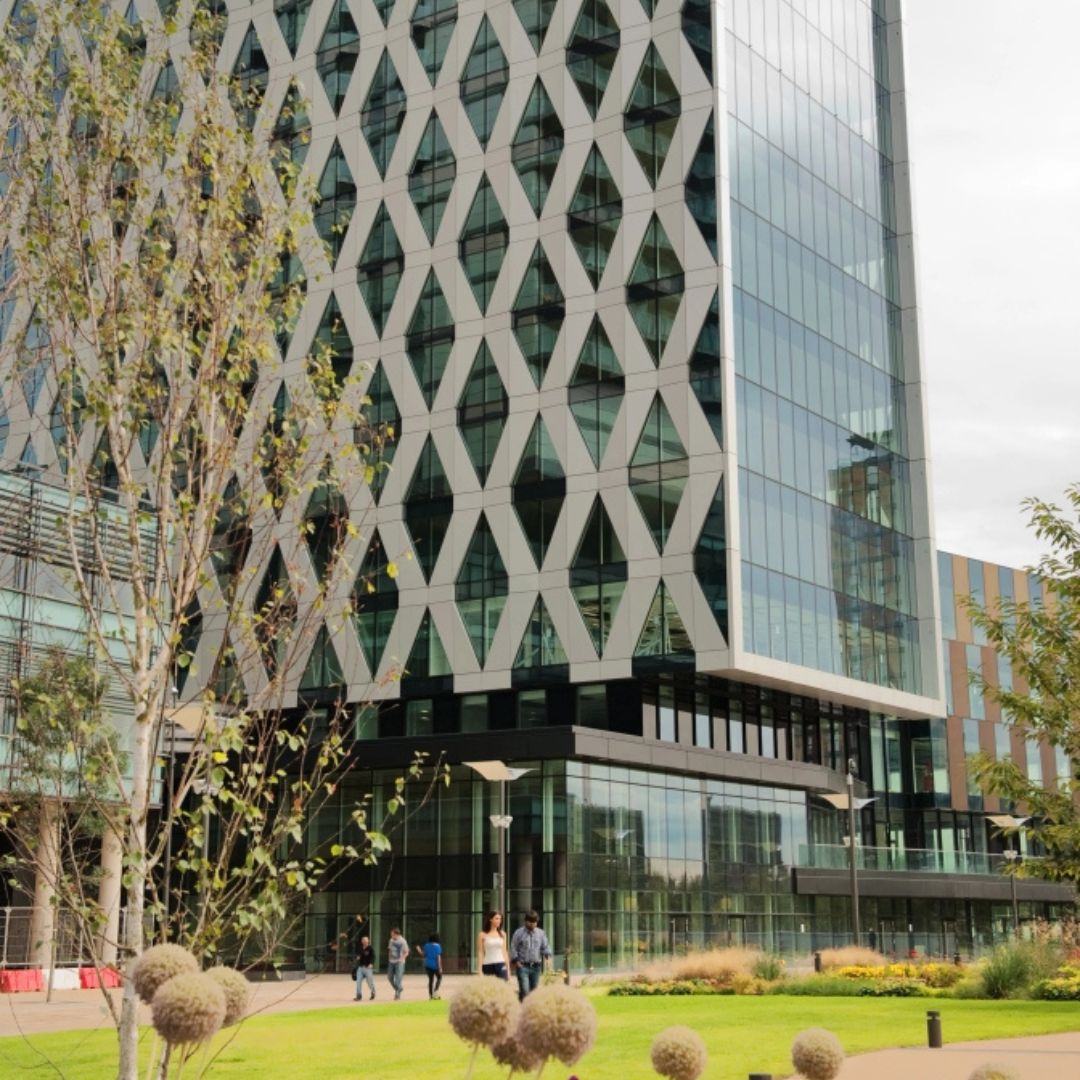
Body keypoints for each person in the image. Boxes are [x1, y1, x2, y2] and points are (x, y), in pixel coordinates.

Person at [510, 910, 552, 1001]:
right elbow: (513, 947)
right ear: (526, 921)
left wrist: (547, 957)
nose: (532, 924)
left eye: (535, 922)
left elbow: (545, 947)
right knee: (525, 990)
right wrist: (516, 961)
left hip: (536, 967)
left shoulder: (541, 933)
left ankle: (529, 1011)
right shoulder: (519, 933)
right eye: (530, 922)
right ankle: (522, 1010)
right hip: (522, 966)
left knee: (534, 992)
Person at [477, 911, 508, 979]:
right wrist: (479, 970)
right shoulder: (482, 935)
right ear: (490, 919)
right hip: (487, 965)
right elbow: (480, 952)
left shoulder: (503, 934)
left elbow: (504, 952)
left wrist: (508, 970)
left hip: (501, 964)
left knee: (502, 987)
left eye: (500, 919)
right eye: (497, 918)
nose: (499, 921)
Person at [418, 932, 443, 999]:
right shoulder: (438, 946)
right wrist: (440, 967)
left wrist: (419, 950)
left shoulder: (426, 945)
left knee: (430, 980)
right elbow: (438, 957)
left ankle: (431, 995)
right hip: (435, 965)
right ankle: (435, 991)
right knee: (439, 978)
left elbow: (423, 955)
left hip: (428, 965)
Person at [387, 927, 409, 1000]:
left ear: (396, 934)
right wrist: (389, 957)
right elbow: (390, 949)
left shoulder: (403, 941)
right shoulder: (391, 940)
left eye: (392, 934)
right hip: (391, 961)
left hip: (399, 962)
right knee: (389, 977)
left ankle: (397, 995)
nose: (391, 936)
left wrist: (401, 959)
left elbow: (406, 952)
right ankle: (399, 988)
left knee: (398, 979)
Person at [354, 935, 376, 1001]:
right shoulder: (360, 948)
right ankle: (359, 996)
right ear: (362, 941)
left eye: (366, 941)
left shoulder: (370, 948)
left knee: (369, 982)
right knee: (358, 981)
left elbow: (373, 957)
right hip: (360, 968)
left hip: (368, 968)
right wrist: (357, 957)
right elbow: (358, 955)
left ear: (368, 941)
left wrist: (371, 964)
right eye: (363, 941)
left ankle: (373, 991)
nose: (365, 942)